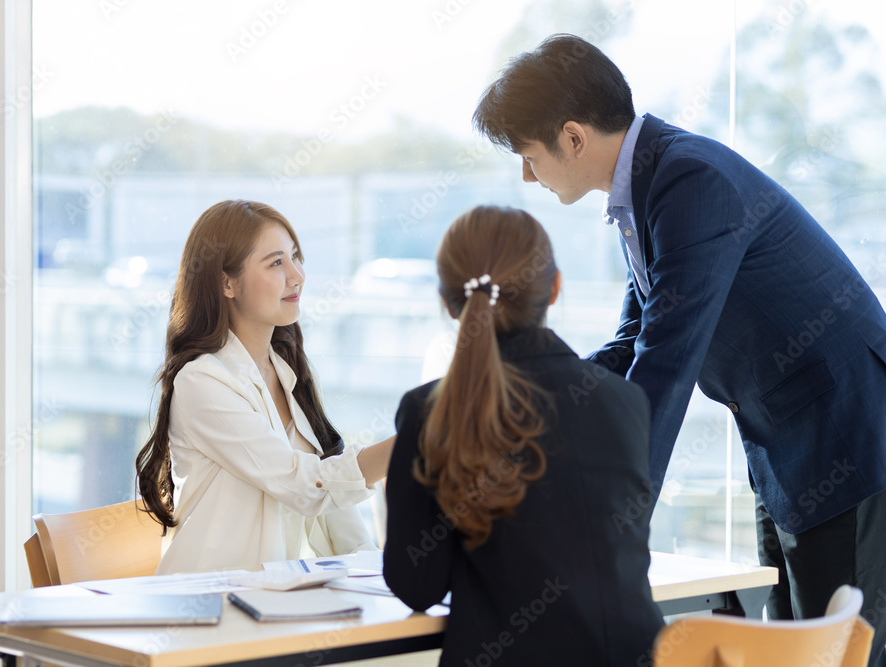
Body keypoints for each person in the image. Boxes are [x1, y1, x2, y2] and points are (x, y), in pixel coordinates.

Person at [472, 33, 886, 666]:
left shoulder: (692, 180)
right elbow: (635, 339)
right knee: (784, 647)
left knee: (830, 651)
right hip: (788, 444)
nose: (526, 175)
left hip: (847, 439)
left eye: (527, 154)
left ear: (573, 137)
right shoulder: (646, 187)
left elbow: (666, 366)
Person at [382, 205, 664, 666]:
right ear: (554, 288)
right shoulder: (625, 400)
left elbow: (417, 585)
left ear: (448, 302)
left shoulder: (428, 411)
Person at [135, 199, 394, 574]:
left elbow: (335, 509)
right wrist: (411, 443)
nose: (297, 275)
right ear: (227, 283)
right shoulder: (202, 382)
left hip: (266, 601)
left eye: (295, 257)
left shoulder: (288, 372)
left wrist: (382, 576)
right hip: (208, 607)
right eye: (276, 263)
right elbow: (302, 484)